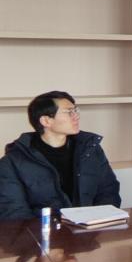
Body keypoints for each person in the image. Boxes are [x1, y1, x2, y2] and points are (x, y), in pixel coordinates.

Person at [0, 91, 121, 220]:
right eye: (69, 112)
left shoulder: (90, 150)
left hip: (91, 229)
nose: (76, 116)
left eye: (75, 111)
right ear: (46, 121)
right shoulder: (12, 162)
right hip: (43, 231)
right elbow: (13, 212)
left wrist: (96, 222)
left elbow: (109, 191)